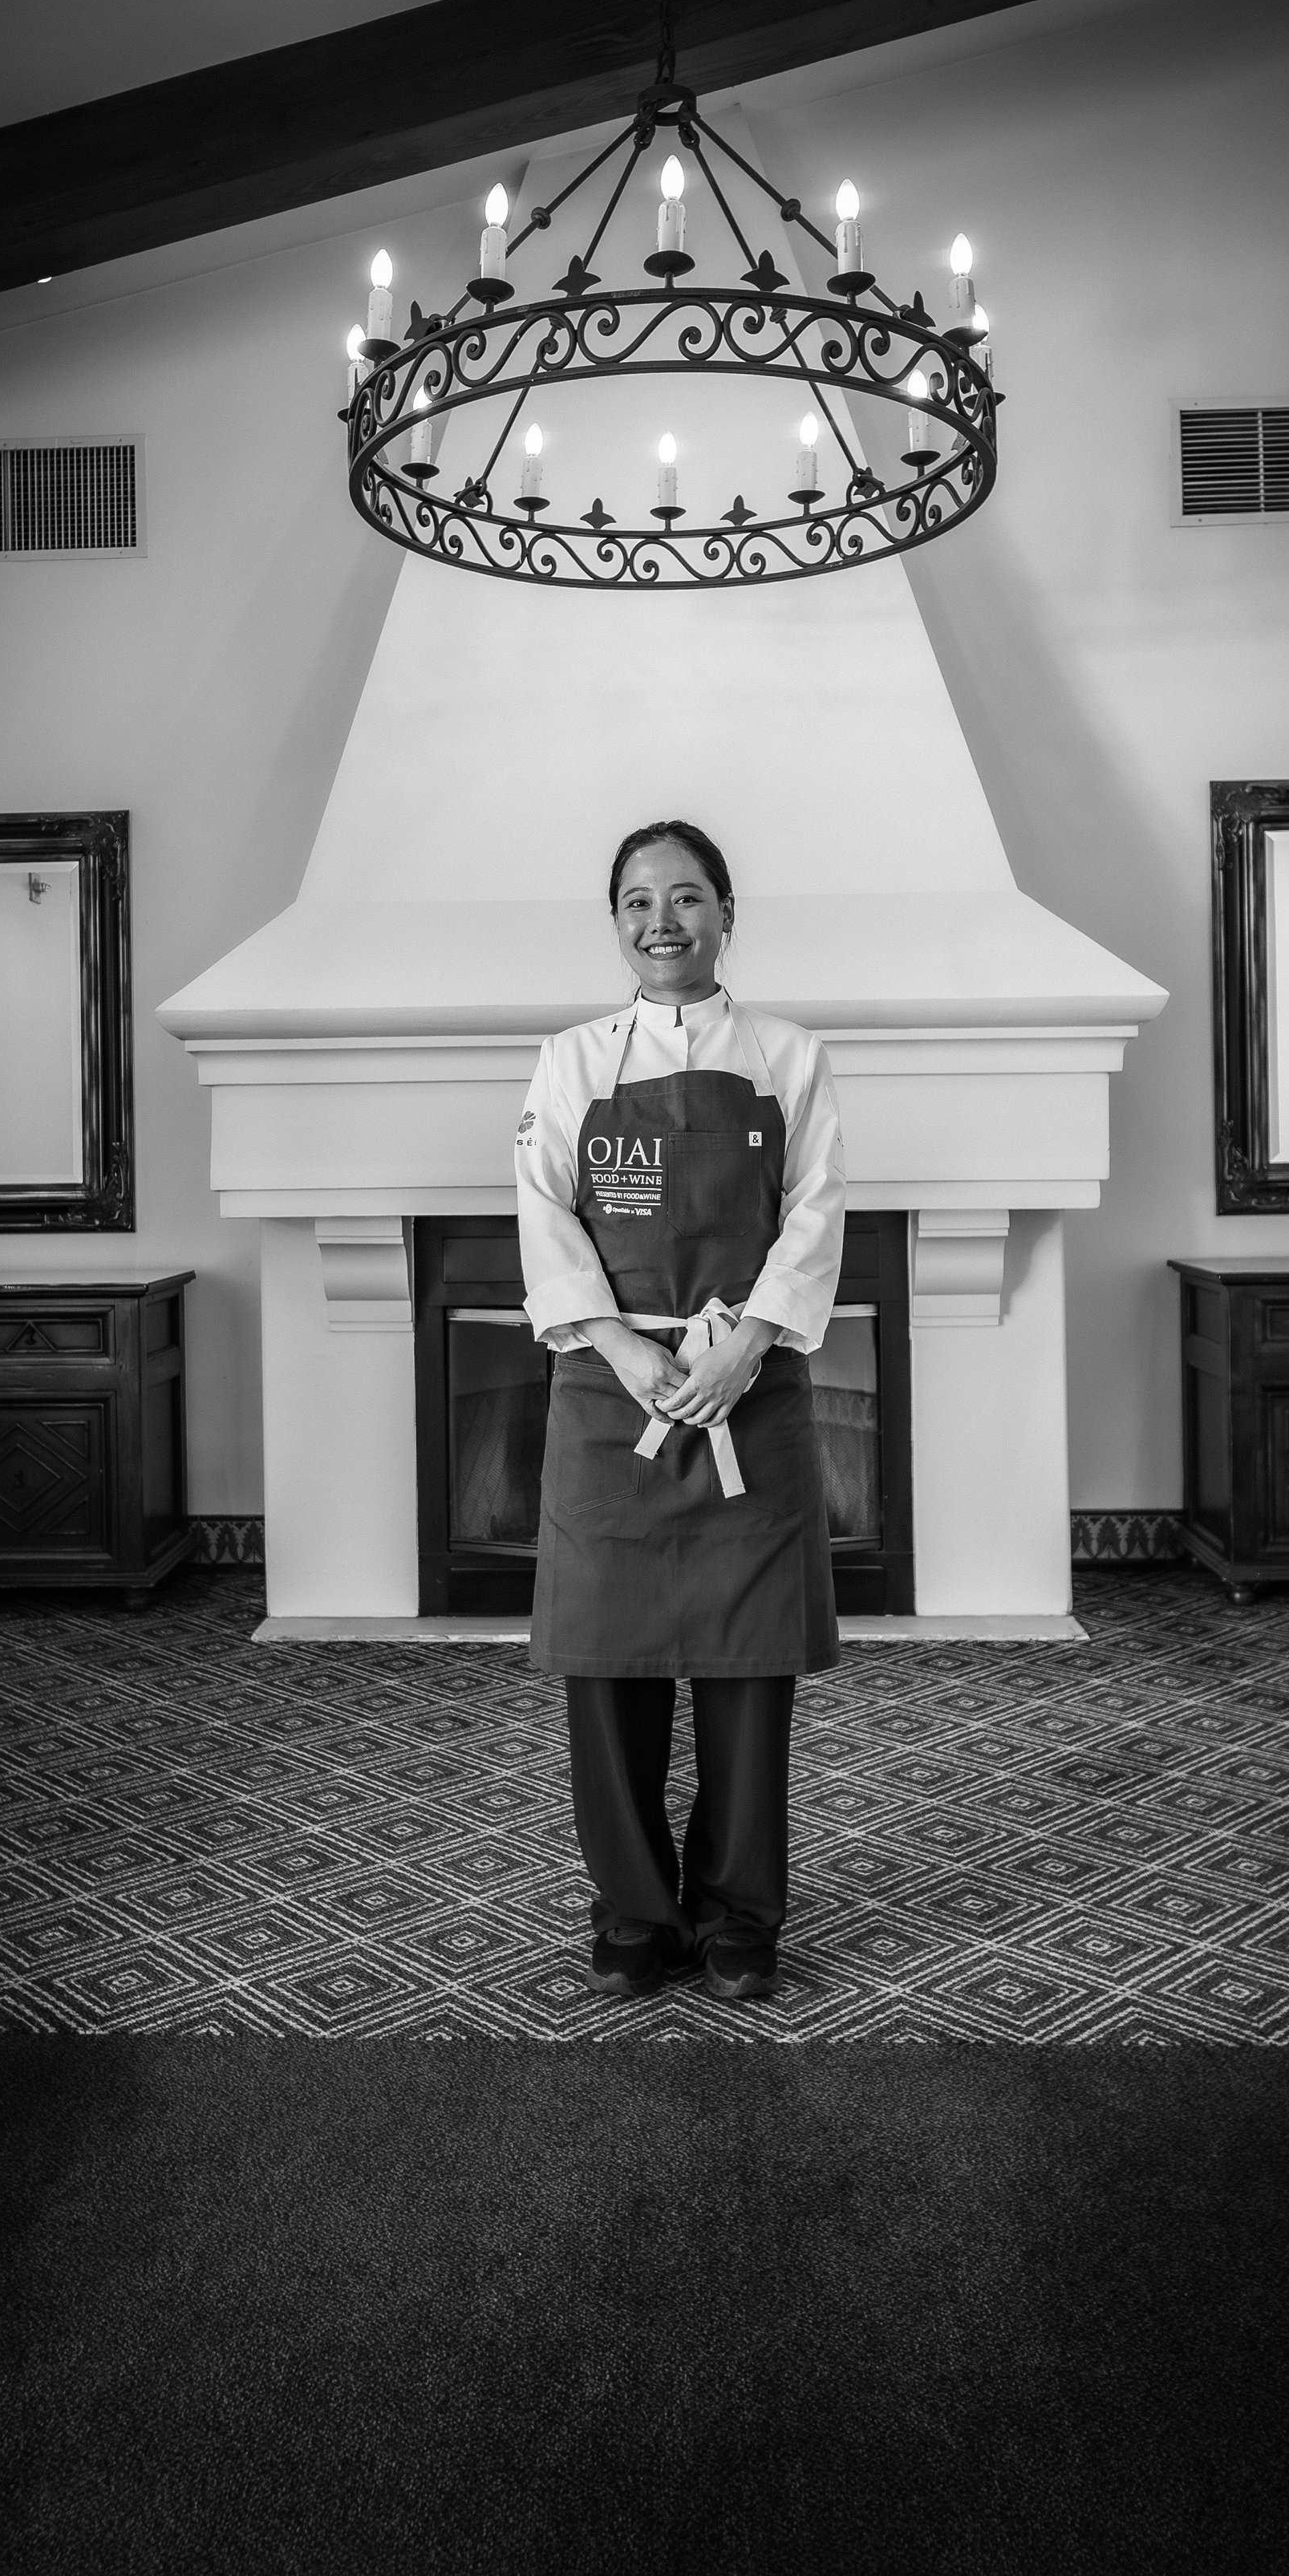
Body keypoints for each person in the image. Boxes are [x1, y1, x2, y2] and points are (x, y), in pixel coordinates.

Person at [514, 819, 846, 2002]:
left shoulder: (791, 1055)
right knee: (608, 1671)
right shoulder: (570, 1061)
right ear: (616, 923)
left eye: (688, 896)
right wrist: (619, 1347)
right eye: (639, 902)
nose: (664, 921)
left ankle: (740, 1915)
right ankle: (634, 1914)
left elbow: (816, 1210)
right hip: (613, 1398)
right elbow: (543, 1211)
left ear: (726, 914)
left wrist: (746, 1345)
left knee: (750, 1675)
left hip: (749, 1393)